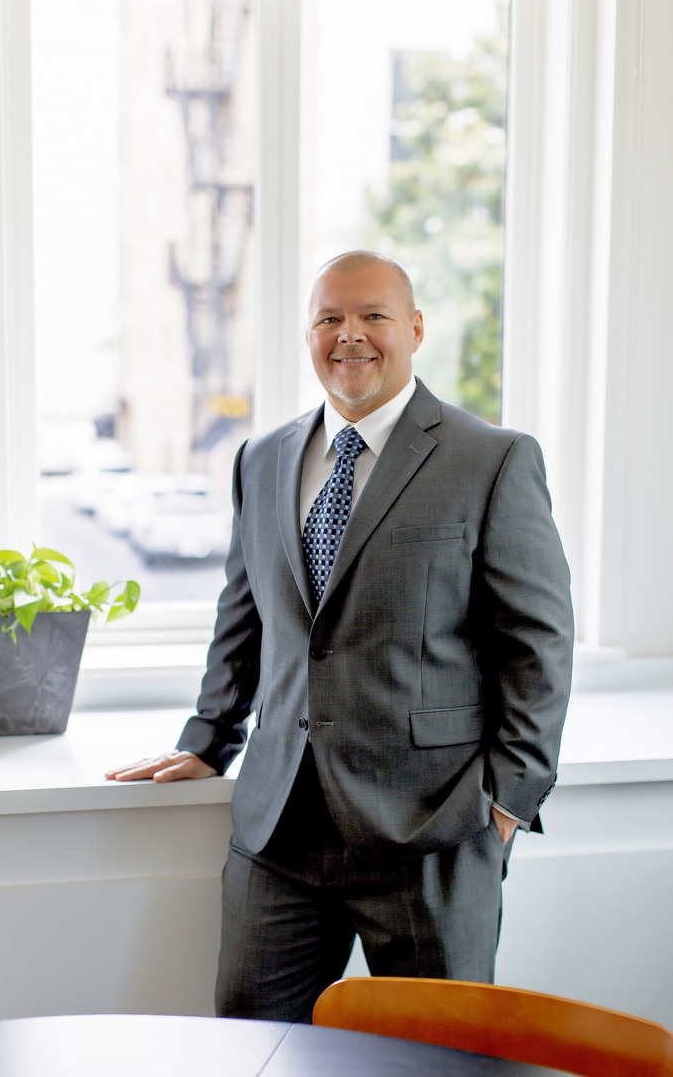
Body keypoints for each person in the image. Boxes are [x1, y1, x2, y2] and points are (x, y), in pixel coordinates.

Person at [107, 250, 574, 1023]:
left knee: (437, 1065)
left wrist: (508, 802)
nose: (349, 335)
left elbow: (539, 642)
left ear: (415, 329)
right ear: (308, 333)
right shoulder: (262, 459)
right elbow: (243, 616)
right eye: (330, 318)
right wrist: (208, 736)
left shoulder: (491, 459)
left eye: (373, 316)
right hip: (279, 831)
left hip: (432, 830)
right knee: (253, 1052)